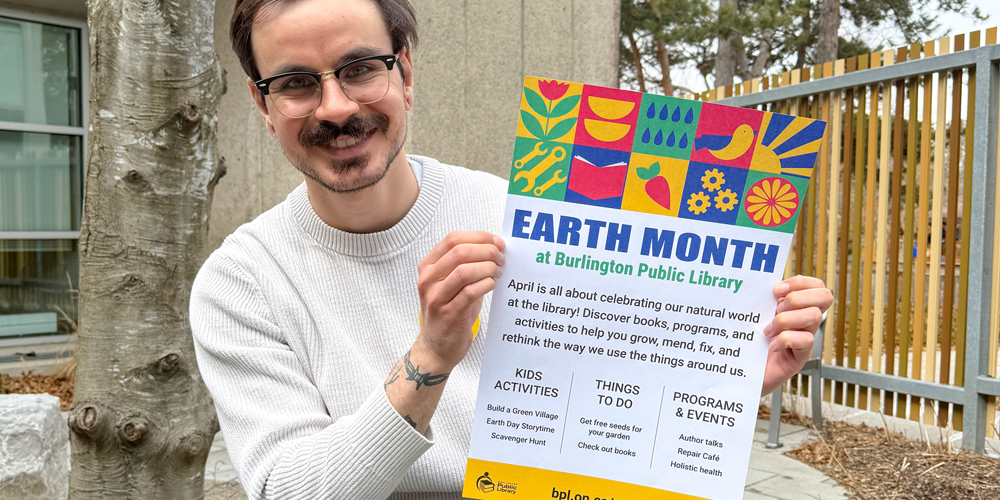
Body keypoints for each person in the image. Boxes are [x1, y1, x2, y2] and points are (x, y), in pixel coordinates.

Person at [189, 0, 834, 498]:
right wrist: (430, 356)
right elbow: (291, 489)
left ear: (405, 72)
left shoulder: (520, 219)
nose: (334, 107)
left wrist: (724, 381)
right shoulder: (241, 282)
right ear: (263, 103)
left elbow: (605, 416)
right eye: (298, 83)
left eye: (360, 69)